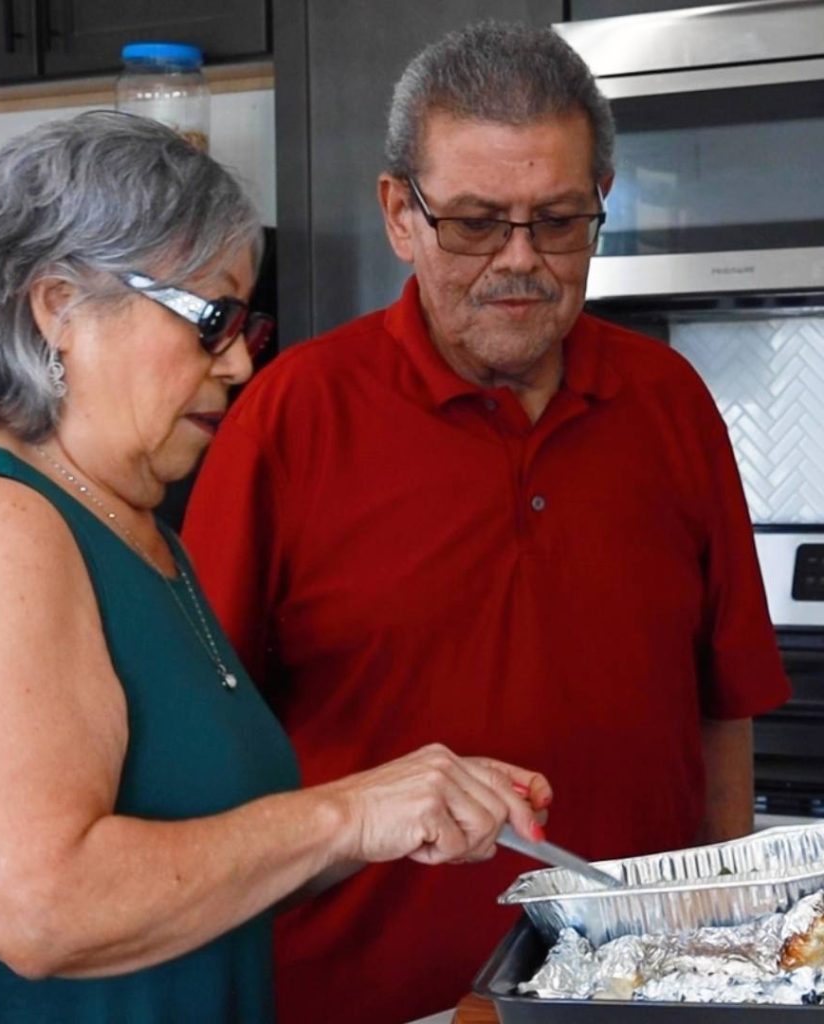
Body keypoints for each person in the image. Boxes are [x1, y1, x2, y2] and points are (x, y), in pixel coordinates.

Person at [0, 111, 552, 1023]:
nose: (237, 362)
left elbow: (202, 868)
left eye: (246, 324)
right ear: (60, 308)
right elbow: (41, 907)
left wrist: (407, 803)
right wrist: (348, 814)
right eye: (210, 320)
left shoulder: (129, 527)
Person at [181, 20, 792, 1024]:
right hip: (356, 1003)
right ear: (398, 214)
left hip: (629, 998)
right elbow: (204, 750)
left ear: (600, 203)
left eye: (556, 220)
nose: (519, 261)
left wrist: (716, 962)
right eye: (474, 222)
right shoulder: (289, 417)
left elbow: (721, 709)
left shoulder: (670, 402)